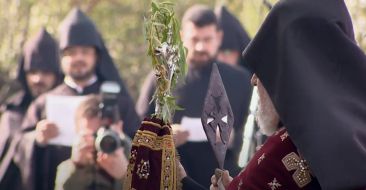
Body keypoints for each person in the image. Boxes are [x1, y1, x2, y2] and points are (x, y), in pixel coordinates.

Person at [185, 0, 366, 189]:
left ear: (291, 72)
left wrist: (182, 180)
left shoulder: (285, 149)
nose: (254, 79)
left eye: (265, 67)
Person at [8, 8, 140, 190]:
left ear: (96, 56)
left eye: (85, 52)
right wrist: (37, 139)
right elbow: (19, 147)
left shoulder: (119, 102)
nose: (78, 58)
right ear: (61, 58)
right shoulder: (43, 103)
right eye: (71, 52)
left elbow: (142, 148)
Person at [136, 5, 252, 187]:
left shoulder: (240, 80)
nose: (200, 46)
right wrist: (165, 135)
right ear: (182, 37)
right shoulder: (162, 78)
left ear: (218, 37)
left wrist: (233, 138)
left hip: (224, 181)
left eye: (207, 39)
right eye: (195, 39)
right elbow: (138, 130)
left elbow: (256, 131)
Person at [0, 28, 62, 190]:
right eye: (33, 72)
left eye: (46, 72)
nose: (38, 79)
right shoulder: (12, 111)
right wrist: (35, 140)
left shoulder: (70, 108)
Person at [54, 95, 130, 190]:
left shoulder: (140, 156)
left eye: (105, 134)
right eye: (93, 135)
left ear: (119, 127)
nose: (100, 141)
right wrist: (77, 166)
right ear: (77, 132)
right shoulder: (68, 164)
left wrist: (126, 176)